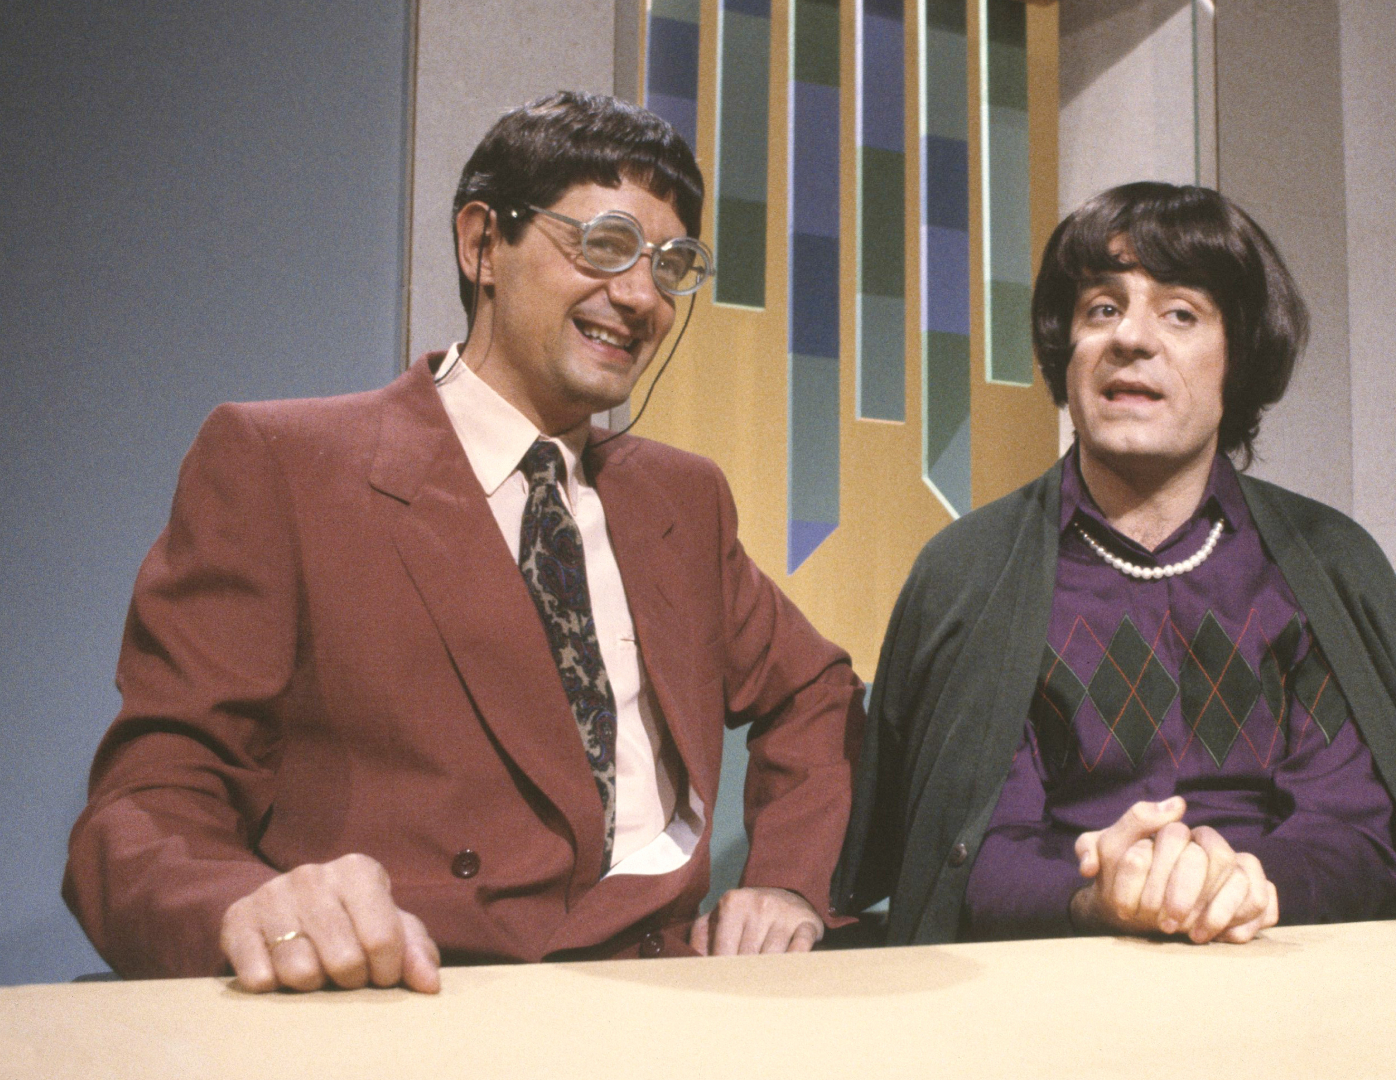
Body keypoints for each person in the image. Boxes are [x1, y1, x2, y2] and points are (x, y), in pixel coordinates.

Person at [63, 91, 863, 992]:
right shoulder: (281, 465)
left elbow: (817, 692)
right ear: (482, 243)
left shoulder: (683, 497)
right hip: (413, 1003)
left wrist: (785, 881)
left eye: (670, 265)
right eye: (604, 245)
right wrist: (245, 906)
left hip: (665, 1005)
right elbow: (150, 805)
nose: (641, 296)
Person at [837, 182, 1396, 945]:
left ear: (1238, 357)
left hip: (1289, 962)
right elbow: (972, 852)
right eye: (1102, 308)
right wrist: (1102, 898)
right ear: (1067, 351)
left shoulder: (1327, 564)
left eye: (1180, 313)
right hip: (1051, 974)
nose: (1131, 338)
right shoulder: (970, 573)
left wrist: (1230, 885)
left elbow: (1351, 831)